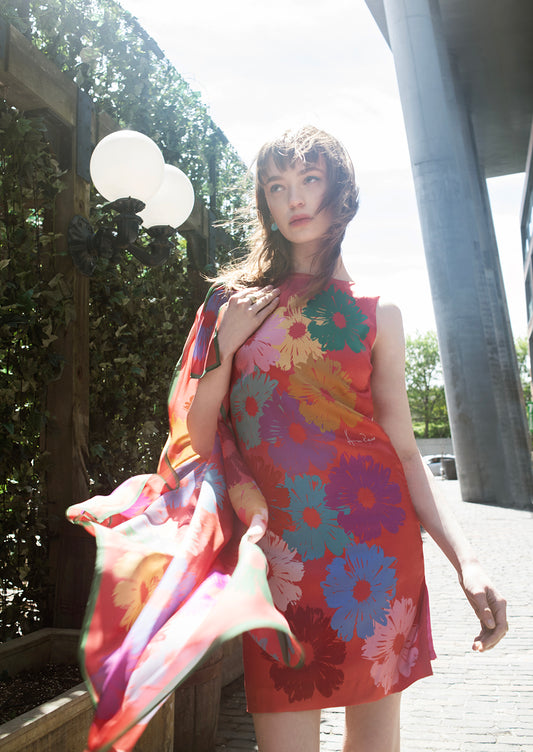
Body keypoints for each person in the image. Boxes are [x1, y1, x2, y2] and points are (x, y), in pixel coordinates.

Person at [68, 125, 507, 752]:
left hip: (375, 555)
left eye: (309, 179)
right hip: (277, 561)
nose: (294, 198)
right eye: (276, 186)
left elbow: (406, 452)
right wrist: (223, 348)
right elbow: (197, 434)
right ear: (265, 204)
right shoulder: (232, 304)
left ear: (342, 192)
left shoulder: (377, 314)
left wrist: (469, 562)